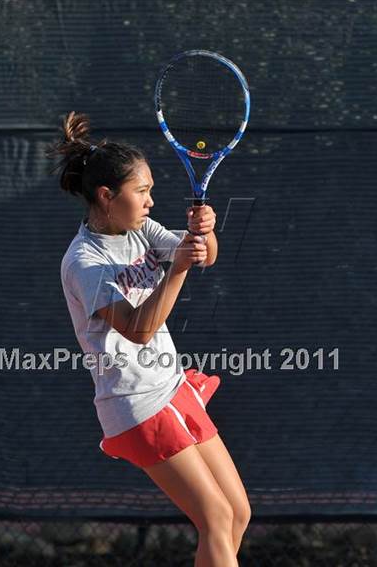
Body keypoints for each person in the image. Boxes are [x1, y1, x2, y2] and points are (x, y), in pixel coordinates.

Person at [46, 111, 251, 566]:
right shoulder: (85, 262)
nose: (151, 201)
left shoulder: (138, 227)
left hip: (173, 388)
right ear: (106, 195)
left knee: (237, 512)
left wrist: (204, 234)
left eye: (151, 190)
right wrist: (177, 266)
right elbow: (137, 330)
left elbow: (203, 257)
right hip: (136, 405)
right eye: (142, 191)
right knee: (215, 517)